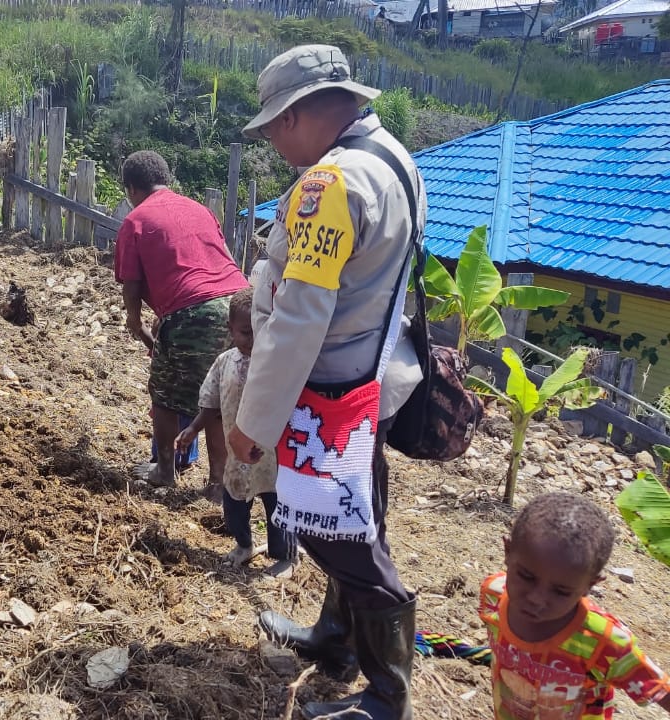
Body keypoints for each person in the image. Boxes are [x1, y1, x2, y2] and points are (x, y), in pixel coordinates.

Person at [231, 45, 425, 720]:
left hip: (331, 395)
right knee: (352, 518)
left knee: (343, 537)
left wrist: (252, 422)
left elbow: (298, 319)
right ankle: (337, 642)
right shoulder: (395, 158)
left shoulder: (331, 185)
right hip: (373, 374)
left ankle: (387, 695)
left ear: (300, 114)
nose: (278, 142)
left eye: (277, 125)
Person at [113, 150, 247, 490]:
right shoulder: (199, 209)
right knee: (217, 398)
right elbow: (222, 262)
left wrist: (134, 321)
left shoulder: (136, 221)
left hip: (194, 311)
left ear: (130, 189)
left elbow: (132, 284)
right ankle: (218, 484)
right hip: (241, 307)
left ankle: (165, 472)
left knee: (164, 396)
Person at [481, 492, 670, 719]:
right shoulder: (494, 593)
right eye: (526, 576)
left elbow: (657, 688)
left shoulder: (603, 641)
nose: (536, 599)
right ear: (508, 552)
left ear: (589, 585)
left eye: (561, 591)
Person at [173, 284, 298, 577]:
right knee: (234, 505)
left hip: (272, 458)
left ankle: (286, 557)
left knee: (277, 507)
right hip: (237, 457)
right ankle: (244, 545)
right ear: (230, 328)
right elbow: (211, 401)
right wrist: (192, 429)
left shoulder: (276, 364)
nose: (253, 339)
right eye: (245, 331)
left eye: (259, 330)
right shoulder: (225, 362)